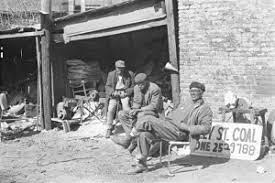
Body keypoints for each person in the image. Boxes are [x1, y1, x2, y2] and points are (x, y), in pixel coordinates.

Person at [127, 81, 213, 173]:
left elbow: (206, 128)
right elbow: (174, 115)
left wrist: (187, 127)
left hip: (179, 132)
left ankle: (128, 139)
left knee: (148, 118)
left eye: (196, 91)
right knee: (144, 134)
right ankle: (142, 165)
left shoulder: (204, 108)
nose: (193, 93)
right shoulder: (185, 102)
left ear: (202, 92)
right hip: (168, 126)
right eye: (191, 91)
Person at [110, 73, 163, 151]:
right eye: (138, 84)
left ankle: (129, 140)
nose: (140, 86)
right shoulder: (136, 88)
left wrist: (139, 110)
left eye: (142, 84)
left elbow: (154, 106)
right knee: (121, 114)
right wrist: (134, 110)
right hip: (140, 111)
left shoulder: (155, 89)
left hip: (154, 113)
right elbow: (137, 102)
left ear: (147, 82)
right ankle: (131, 137)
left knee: (141, 115)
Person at [105, 60, 135, 138]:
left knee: (126, 108)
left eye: (122, 68)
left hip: (124, 92)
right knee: (111, 109)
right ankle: (109, 128)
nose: (120, 70)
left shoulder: (130, 74)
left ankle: (129, 127)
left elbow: (133, 86)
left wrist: (126, 93)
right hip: (114, 93)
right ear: (115, 68)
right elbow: (107, 86)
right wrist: (112, 92)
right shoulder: (111, 74)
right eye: (118, 68)